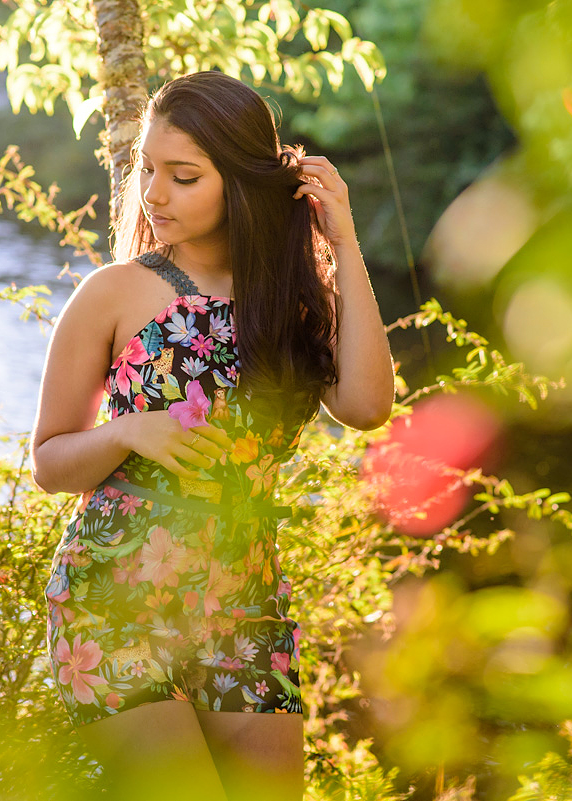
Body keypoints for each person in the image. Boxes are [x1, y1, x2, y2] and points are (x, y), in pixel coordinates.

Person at [32, 70, 395, 800]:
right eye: (148, 172)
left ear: (241, 183)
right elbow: (49, 461)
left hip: (245, 601)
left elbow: (364, 405)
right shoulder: (115, 292)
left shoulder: (292, 303)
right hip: (115, 599)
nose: (155, 194)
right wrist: (131, 430)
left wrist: (344, 243)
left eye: (184, 176)